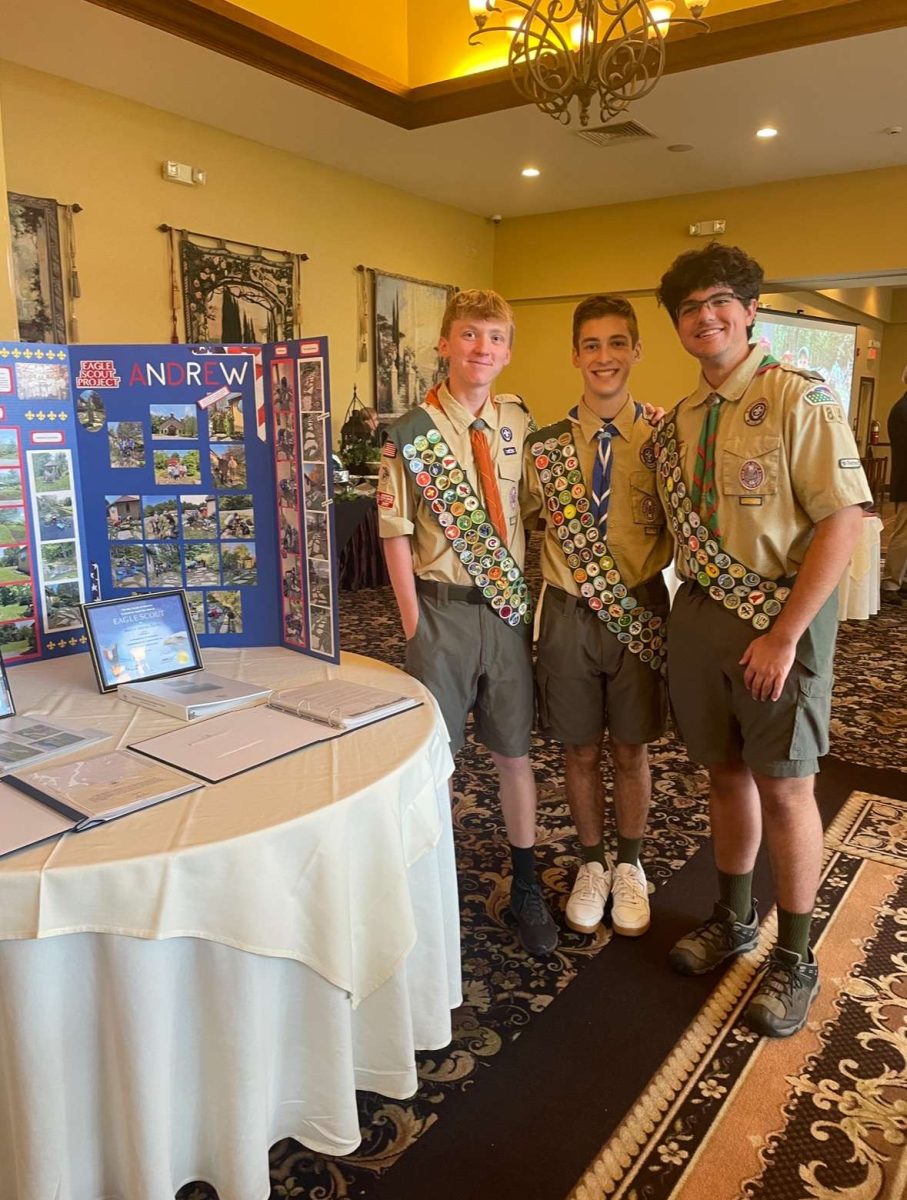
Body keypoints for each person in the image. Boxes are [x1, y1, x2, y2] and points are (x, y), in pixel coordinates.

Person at [654, 242, 871, 1037]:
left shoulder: (798, 399)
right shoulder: (679, 417)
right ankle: (733, 918)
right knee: (722, 774)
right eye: (687, 308)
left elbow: (842, 519)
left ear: (749, 310)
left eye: (718, 302)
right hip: (702, 618)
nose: (704, 318)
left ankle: (795, 956)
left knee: (784, 786)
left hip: (779, 622)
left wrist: (783, 635)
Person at [378, 288, 558, 957]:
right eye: (470, 334)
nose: (482, 348)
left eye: (495, 337)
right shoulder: (411, 431)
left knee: (514, 753)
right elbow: (394, 531)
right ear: (446, 344)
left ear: (507, 351)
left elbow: (536, 507)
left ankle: (525, 882)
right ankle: (432, 888)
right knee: (437, 761)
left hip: (505, 615)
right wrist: (411, 624)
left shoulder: (516, 420)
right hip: (442, 615)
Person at [521, 295, 672, 939]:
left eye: (617, 343)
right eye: (591, 345)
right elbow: (525, 523)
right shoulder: (543, 449)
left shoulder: (666, 441)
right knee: (578, 748)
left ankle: (631, 865)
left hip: (637, 606)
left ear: (636, 351)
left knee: (633, 748)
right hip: (567, 613)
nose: (604, 357)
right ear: (575, 355)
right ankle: (590, 863)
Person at [881, 365, 907, 594]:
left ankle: (902, 577)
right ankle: (890, 583)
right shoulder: (902, 410)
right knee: (904, 535)